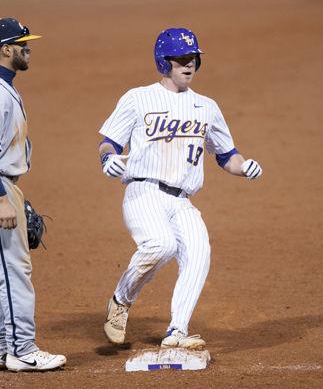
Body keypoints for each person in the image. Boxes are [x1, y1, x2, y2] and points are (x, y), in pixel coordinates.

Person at [98, 28, 263, 350]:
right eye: (182, 59)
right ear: (164, 62)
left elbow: (226, 155)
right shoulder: (138, 98)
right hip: (143, 192)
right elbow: (109, 143)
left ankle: (177, 331)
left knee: (198, 253)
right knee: (161, 245)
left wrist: (244, 168)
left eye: (194, 59)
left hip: (182, 200)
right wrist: (108, 160)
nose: (190, 65)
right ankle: (120, 301)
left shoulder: (206, 107)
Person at [0, 17, 66, 371]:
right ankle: (23, 350)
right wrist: (2, 197)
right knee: (14, 270)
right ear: (6, 50)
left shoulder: (0, 87)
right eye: (23, 44)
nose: (28, 48)